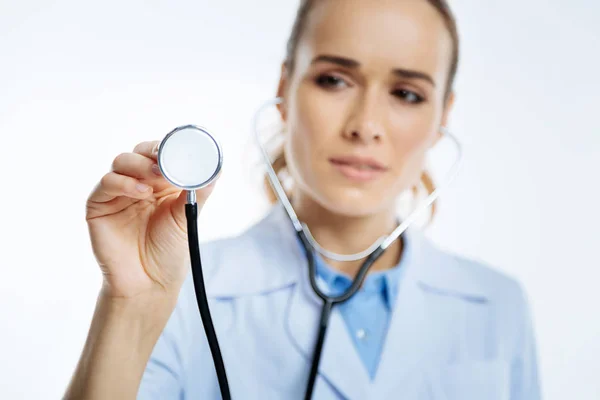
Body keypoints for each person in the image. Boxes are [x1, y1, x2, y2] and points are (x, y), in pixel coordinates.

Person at [64, 0, 541, 399]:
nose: (366, 124)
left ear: (444, 114)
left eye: (406, 93)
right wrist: (130, 304)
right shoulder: (182, 291)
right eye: (335, 80)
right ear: (284, 89)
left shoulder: (497, 305)